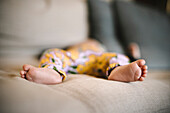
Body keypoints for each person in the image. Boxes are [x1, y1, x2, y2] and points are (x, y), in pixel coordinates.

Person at [20, 39, 148, 85]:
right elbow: (52, 53)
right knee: (52, 52)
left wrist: (133, 55)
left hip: (100, 59)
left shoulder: (103, 50)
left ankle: (118, 70)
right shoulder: (72, 48)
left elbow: (127, 57)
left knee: (118, 57)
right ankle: (52, 71)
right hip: (75, 58)